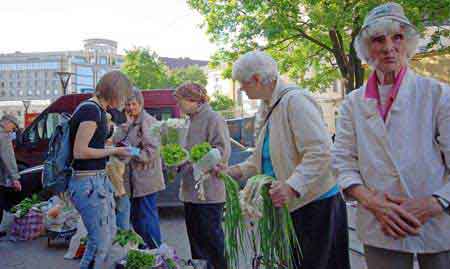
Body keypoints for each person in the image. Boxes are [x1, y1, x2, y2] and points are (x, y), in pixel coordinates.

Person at [332, 3, 450, 269]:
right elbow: (342, 163)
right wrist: (372, 201)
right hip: (379, 227)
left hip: (437, 222)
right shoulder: (352, 103)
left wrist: (434, 203)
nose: (388, 47)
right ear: (365, 49)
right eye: (378, 39)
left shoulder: (438, 95)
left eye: (397, 37)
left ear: (407, 42)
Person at [226, 51, 350, 269]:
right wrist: (231, 172)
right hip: (293, 206)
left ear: (256, 79)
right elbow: (260, 161)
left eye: (242, 84)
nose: (241, 89)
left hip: (316, 205)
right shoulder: (267, 107)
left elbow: (320, 152)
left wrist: (292, 187)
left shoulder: (296, 101)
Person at [69, 71, 133, 269]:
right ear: (114, 92)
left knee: (104, 237)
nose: (124, 102)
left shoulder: (96, 109)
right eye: (123, 96)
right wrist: (115, 150)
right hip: (87, 182)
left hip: (96, 181)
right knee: (101, 242)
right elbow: (80, 151)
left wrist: (116, 150)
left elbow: (93, 147)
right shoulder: (90, 110)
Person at [174, 82, 230, 269]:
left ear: (194, 100)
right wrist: (177, 159)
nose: (178, 105)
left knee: (213, 244)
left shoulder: (213, 118)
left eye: (180, 101)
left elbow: (221, 150)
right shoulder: (188, 120)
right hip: (190, 192)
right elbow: (186, 151)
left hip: (209, 193)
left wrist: (196, 161)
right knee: (196, 244)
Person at [113, 89, 165, 248]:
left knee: (147, 220)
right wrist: (126, 125)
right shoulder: (131, 122)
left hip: (146, 181)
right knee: (137, 219)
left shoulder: (147, 122)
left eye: (133, 104)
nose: (130, 107)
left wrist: (131, 151)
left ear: (141, 104)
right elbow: (116, 141)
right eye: (127, 104)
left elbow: (151, 152)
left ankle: (156, 252)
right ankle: (146, 251)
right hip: (134, 181)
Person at [0, 114, 21, 235]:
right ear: (7, 122)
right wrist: (15, 178)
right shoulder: (3, 135)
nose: (13, 131)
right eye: (13, 128)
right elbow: (8, 158)